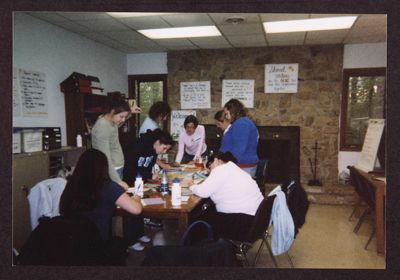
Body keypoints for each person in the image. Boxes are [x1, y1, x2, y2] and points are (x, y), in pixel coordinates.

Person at [59, 149, 143, 257]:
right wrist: (137, 197)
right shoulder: (108, 186)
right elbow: (136, 209)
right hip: (97, 242)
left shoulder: (71, 184)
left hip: (72, 241)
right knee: (119, 244)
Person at [189, 152, 264, 241]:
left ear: (216, 161)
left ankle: (203, 249)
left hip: (243, 223)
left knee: (197, 220)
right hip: (257, 220)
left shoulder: (220, 170)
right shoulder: (232, 168)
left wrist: (191, 185)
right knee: (207, 211)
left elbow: (203, 192)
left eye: (209, 167)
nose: (210, 171)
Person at [91, 93, 140, 190]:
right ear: (113, 111)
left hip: (117, 168)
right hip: (112, 171)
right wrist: (118, 181)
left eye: (125, 117)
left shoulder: (111, 122)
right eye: (121, 116)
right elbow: (105, 158)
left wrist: (130, 112)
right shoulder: (102, 127)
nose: (123, 120)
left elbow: (115, 126)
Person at [219, 98, 259, 177]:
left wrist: (222, 161)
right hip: (240, 165)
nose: (226, 117)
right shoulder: (240, 123)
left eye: (227, 114)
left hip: (243, 166)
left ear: (233, 112)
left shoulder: (241, 124)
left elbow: (238, 150)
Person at [138, 101, 172, 171]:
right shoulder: (151, 127)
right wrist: (162, 164)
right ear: (159, 114)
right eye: (165, 116)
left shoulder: (149, 121)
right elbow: (149, 151)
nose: (165, 119)